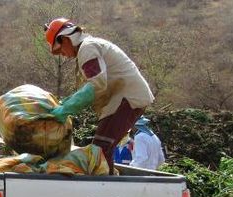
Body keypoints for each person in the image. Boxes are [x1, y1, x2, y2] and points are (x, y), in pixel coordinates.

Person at [44, 18, 154, 172]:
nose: (65, 55)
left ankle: (106, 189)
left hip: (127, 99)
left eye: (61, 50)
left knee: (100, 150)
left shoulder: (87, 49)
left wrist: (67, 108)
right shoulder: (89, 48)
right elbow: (91, 87)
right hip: (122, 100)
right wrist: (66, 103)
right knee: (102, 149)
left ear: (65, 39)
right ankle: (107, 184)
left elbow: (97, 83)